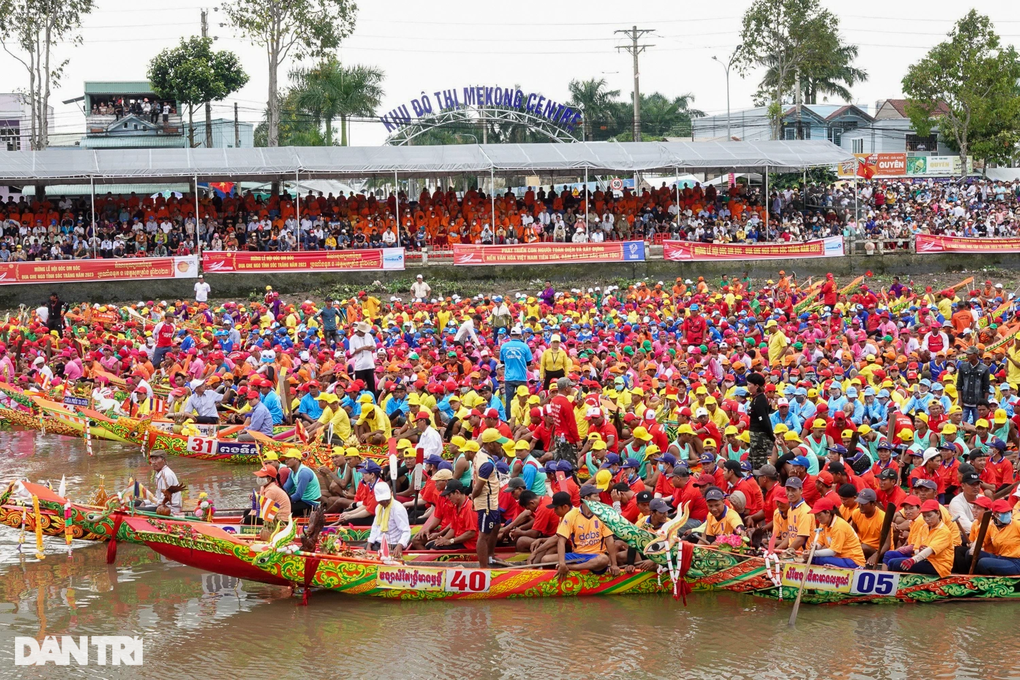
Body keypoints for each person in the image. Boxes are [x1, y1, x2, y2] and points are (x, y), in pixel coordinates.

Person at [553, 489, 620, 577]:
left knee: (604, 559)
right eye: (596, 496)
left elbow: (610, 540)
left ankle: (570, 567)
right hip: (577, 555)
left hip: (596, 556)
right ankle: (563, 567)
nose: (599, 499)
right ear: (587, 498)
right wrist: (562, 563)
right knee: (545, 559)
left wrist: (614, 565)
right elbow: (561, 541)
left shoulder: (603, 514)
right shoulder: (571, 515)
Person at [806, 497, 866, 568]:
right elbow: (820, 542)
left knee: (820, 559)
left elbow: (833, 551)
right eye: (816, 515)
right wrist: (815, 546)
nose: (817, 518)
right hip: (840, 558)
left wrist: (813, 553)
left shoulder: (839, 526)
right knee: (812, 558)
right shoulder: (823, 523)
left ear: (828, 513)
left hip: (853, 561)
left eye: (819, 515)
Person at [367, 481, 411, 558]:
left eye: (387, 499)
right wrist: (369, 544)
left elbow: (406, 530)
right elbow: (375, 527)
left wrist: (400, 545)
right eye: (383, 500)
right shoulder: (378, 508)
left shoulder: (398, 508)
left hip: (392, 544)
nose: (386, 502)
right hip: (378, 542)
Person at [281, 449, 321, 517]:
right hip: (302, 500)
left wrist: (282, 502)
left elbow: (298, 495)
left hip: (311, 504)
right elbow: (285, 489)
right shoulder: (292, 472)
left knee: (282, 510)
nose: (286, 461)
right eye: (285, 458)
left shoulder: (304, 473)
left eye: (289, 458)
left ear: (296, 459)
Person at [499, 326, 533, 409]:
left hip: (509, 378)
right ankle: (523, 417)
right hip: (521, 377)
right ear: (520, 335)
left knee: (509, 400)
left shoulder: (504, 346)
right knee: (523, 399)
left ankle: (509, 419)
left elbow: (502, 361)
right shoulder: (525, 346)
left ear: (510, 335)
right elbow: (529, 363)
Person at [746, 373, 773, 469]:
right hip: (754, 436)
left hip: (759, 436)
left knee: (759, 464)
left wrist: (771, 436)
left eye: (750, 384)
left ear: (756, 386)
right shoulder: (755, 398)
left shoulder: (760, 399)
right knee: (752, 461)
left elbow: (764, 420)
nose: (748, 386)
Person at [146, 450, 182, 515]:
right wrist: (146, 502)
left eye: (156, 459)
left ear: (164, 460)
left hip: (170, 509)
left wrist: (146, 506)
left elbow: (164, 500)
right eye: (152, 459)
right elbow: (158, 497)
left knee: (138, 509)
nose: (153, 462)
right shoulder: (159, 474)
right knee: (137, 503)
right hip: (162, 505)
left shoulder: (167, 475)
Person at [348, 321, 377, 395]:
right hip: (360, 366)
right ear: (359, 331)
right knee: (359, 386)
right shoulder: (353, 339)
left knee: (371, 385)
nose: (364, 333)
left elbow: (374, 346)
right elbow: (352, 353)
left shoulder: (369, 336)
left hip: (369, 364)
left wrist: (370, 348)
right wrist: (363, 348)